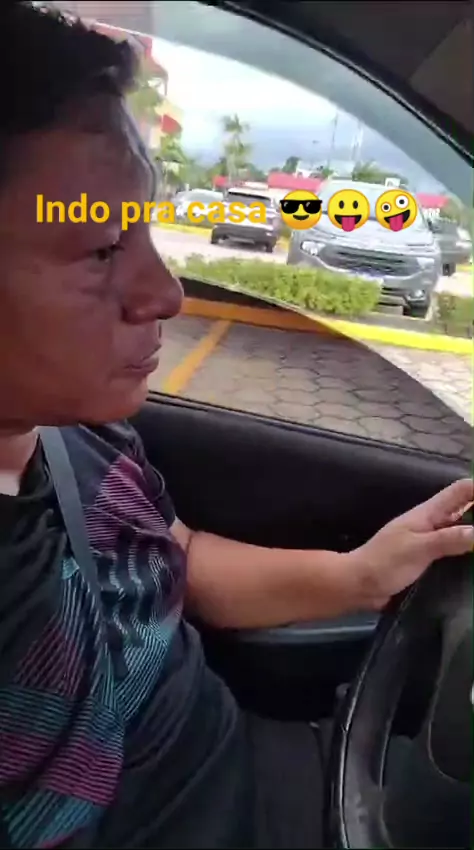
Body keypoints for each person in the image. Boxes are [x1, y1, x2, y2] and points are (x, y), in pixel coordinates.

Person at [0, 4, 472, 849]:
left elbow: (172, 556)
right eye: (101, 248)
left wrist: (361, 574)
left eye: (143, 228)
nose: (166, 294)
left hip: (256, 762)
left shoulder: (73, 431)